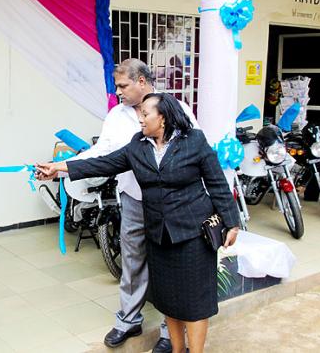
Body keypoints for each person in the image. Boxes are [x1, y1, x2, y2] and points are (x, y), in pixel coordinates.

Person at [36, 92, 240, 353]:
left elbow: (217, 184)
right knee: (169, 300)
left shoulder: (194, 142)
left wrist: (231, 223)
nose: (140, 119)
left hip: (193, 234)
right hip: (159, 235)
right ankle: (178, 350)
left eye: (145, 114)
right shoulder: (138, 146)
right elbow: (102, 163)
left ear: (163, 117)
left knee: (194, 301)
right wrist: (59, 167)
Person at [46, 59, 198, 352]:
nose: (118, 92)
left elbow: (196, 146)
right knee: (132, 259)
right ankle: (129, 320)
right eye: (117, 86)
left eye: (122, 85)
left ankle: (171, 331)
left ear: (142, 81)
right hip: (134, 198)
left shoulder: (176, 108)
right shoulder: (116, 116)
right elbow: (103, 153)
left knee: (169, 263)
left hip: (172, 203)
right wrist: (61, 166)